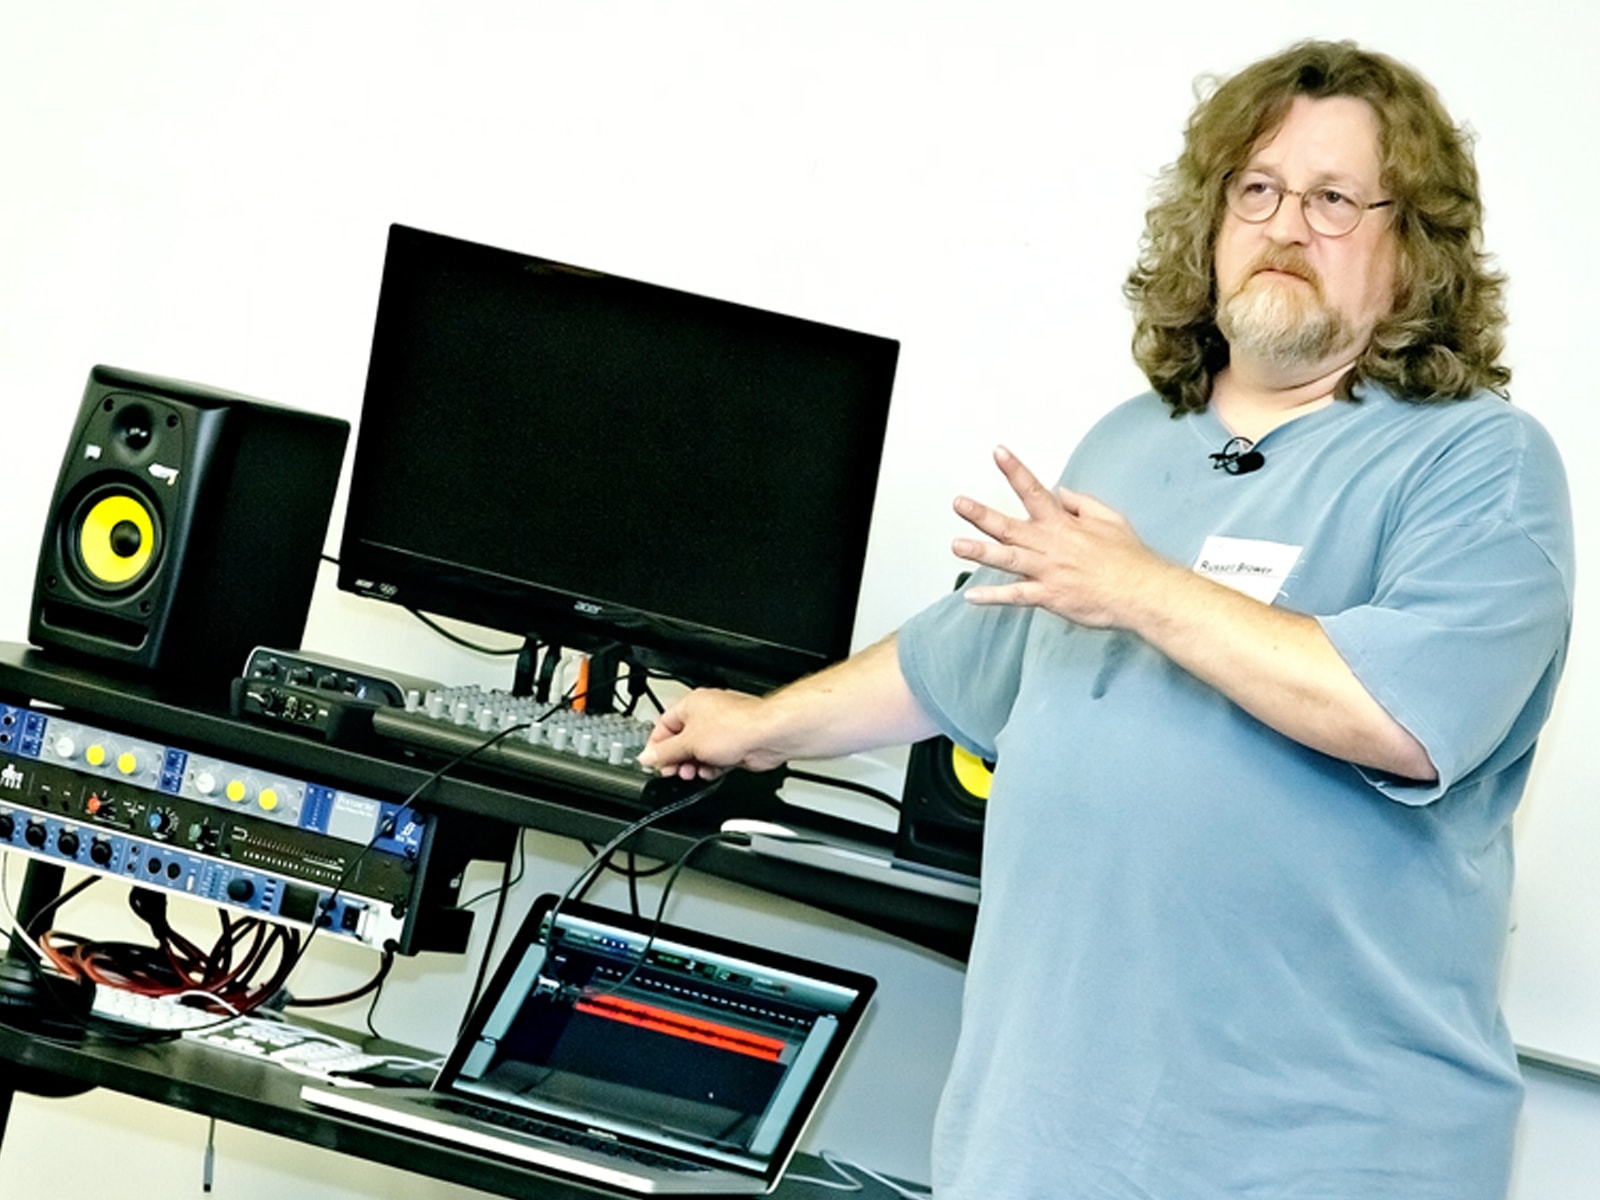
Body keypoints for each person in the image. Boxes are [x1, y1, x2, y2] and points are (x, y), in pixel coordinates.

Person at [639, 39, 1574, 1200]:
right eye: (1258, 189)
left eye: (1334, 199)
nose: (1287, 224)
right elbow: (955, 659)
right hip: (1046, 1147)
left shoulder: (1477, 462)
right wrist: (761, 725)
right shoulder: (1129, 444)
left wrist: (1138, 586)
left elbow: (1403, 715)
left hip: (1321, 1156)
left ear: (1412, 250)